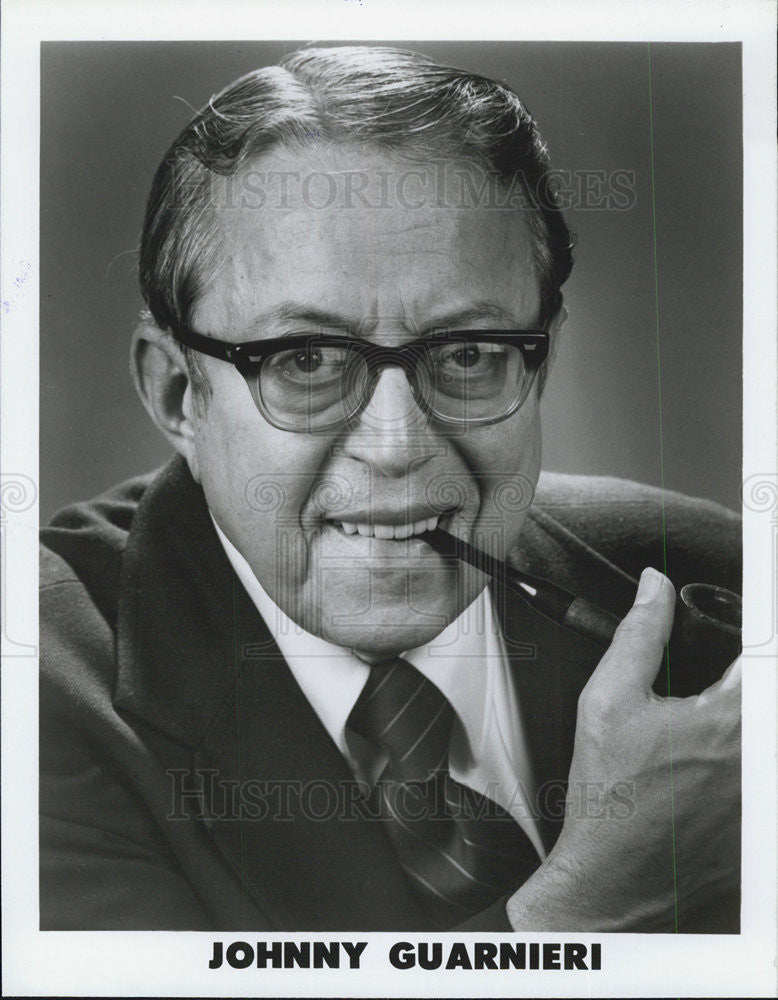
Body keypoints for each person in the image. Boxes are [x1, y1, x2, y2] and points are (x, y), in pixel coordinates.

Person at [39, 45, 741, 932]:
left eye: (471, 354)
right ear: (180, 393)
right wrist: (608, 893)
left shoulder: (717, 575)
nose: (400, 446)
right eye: (304, 360)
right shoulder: (36, 692)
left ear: (543, 359)